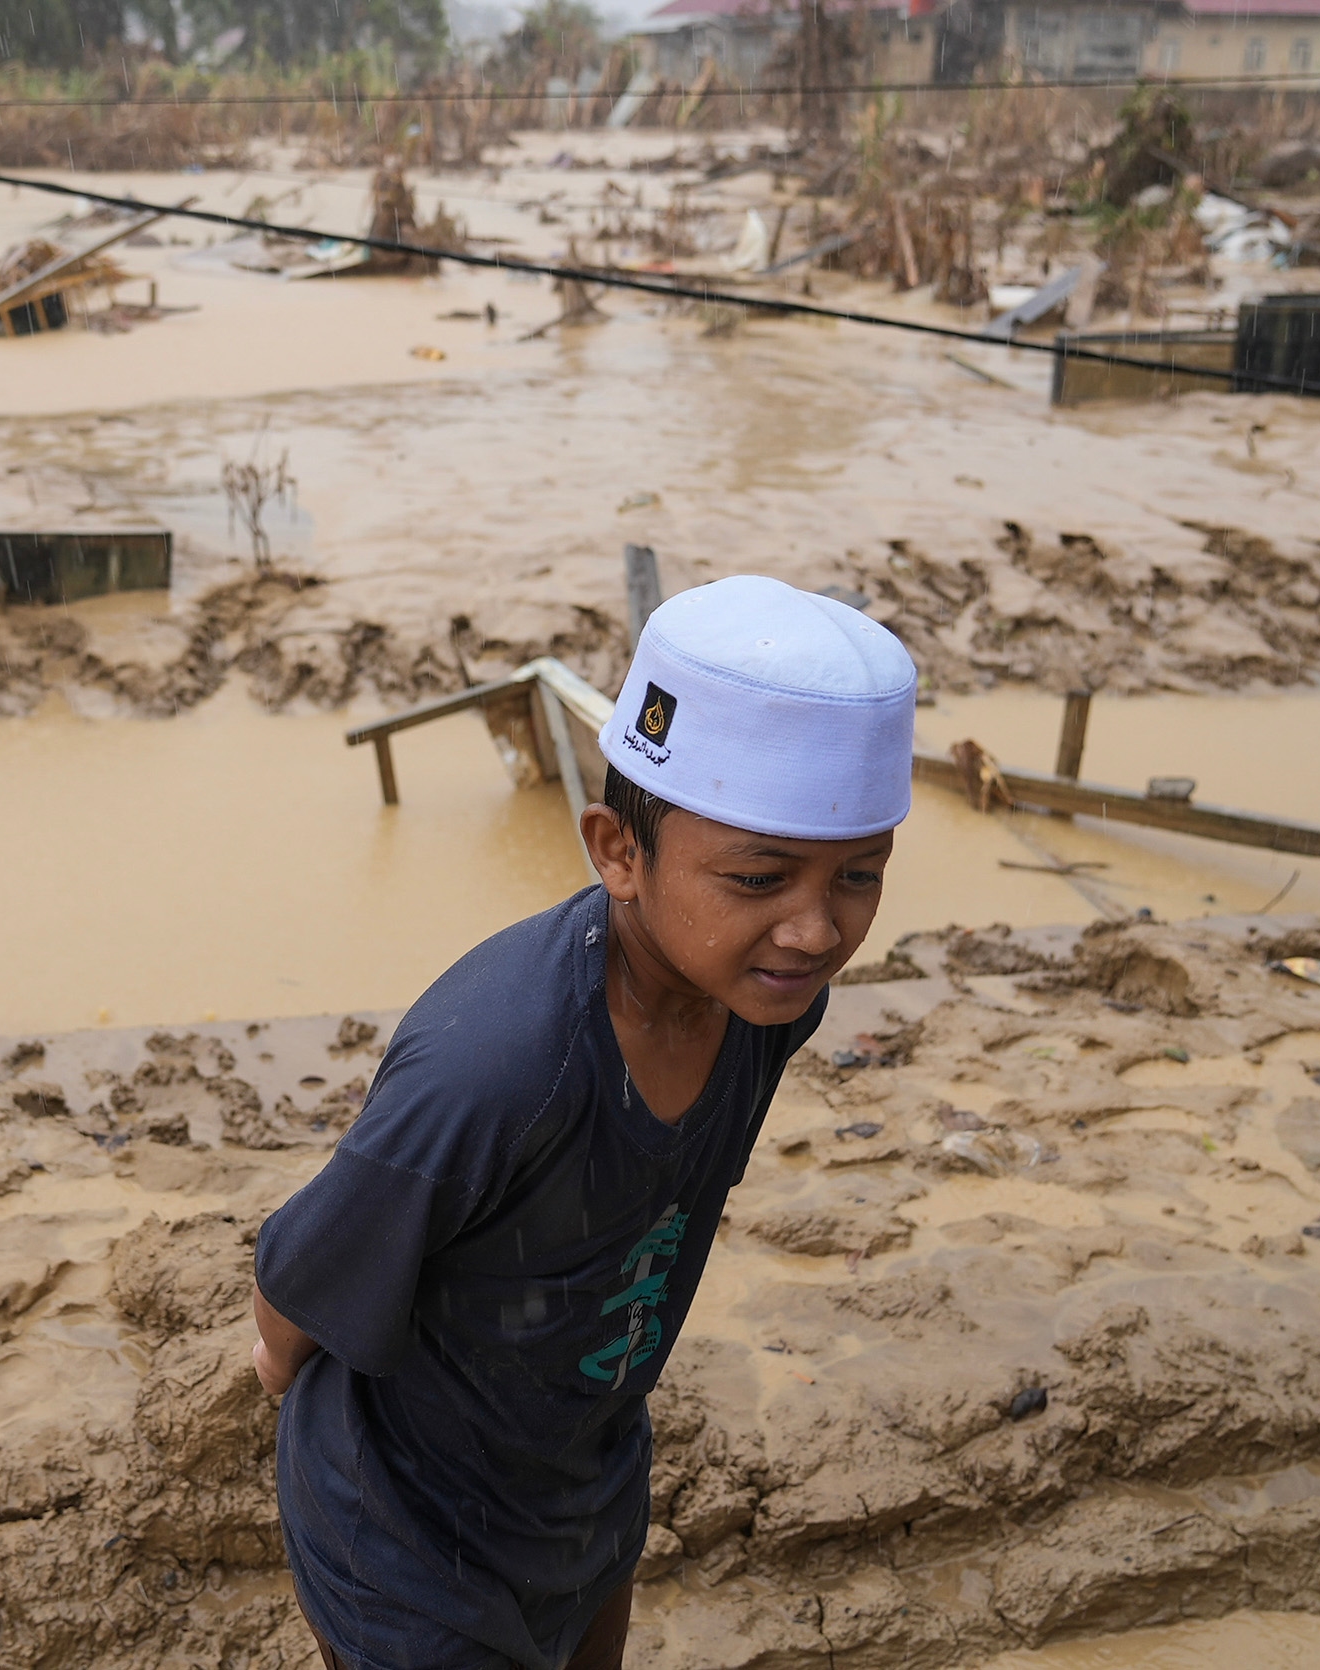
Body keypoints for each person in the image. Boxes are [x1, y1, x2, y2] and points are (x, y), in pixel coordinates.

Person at [251, 575, 917, 1670]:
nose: (811, 927)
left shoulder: (760, 998)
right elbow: (295, 1298)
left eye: (858, 875)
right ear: (617, 850)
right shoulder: (497, 1066)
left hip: (578, 1467)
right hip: (407, 1526)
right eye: (758, 877)